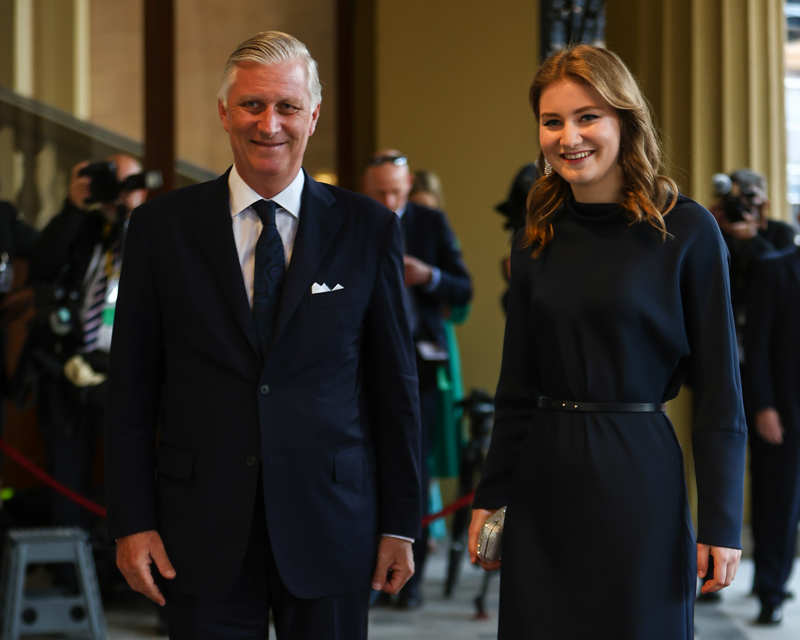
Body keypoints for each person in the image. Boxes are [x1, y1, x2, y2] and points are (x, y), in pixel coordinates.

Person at [105, 31, 421, 639]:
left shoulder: (369, 230)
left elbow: (394, 389)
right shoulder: (159, 230)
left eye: (287, 106)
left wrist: (401, 525)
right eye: (252, 105)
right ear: (224, 112)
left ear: (314, 114)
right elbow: (131, 391)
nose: (269, 124)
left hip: (333, 526)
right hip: (196, 533)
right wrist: (131, 522)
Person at [467, 44, 746, 639]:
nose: (569, 136)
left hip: (639, 476)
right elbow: (517, 382)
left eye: (588, 116)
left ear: (625, 120)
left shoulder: (687, 229)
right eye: (552, 121)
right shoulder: (535, 235)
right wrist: (490, 496)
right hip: (544, 480)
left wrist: (722, 522)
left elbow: (722, 389)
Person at [363, 151, 472, 608]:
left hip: (421, 361)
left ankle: (409, 582)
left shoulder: (429, 222)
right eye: (380, 193)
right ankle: (366, 576)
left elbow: (463, 288)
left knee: (415, 467)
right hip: (364, 362)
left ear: (408, 188)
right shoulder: (353, 217)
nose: (389, 201)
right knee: (363, 466)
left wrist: (428, 276)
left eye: (396, 192)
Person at [27, 154, 146, 530]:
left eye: (129, 185)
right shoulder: (83, 230)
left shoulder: (157, 233)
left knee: (125, 474)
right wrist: (75, 207)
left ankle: (116, 571)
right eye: (111, 185)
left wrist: (130, 213)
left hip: (126, 374)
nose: (118, 195)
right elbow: (42, 265)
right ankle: (69, 569)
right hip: (70, 366)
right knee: (65, 470)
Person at [744, 240, 800, 625]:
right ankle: (771, 592)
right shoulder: (774, 268)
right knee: (777, 504)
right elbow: (756, 346)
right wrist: (763, 406)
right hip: (783, 411)